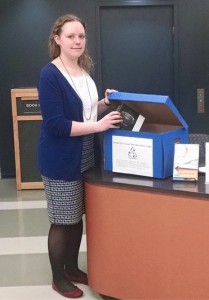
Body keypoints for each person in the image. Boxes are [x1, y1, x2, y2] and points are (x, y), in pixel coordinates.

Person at [37, 14, 122, 298]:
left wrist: (104, 103)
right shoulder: (50, 74)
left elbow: (85, 114)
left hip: (85, 154)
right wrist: (99, 125)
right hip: (60, 157)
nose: (77, 41)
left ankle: (72, 268)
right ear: (57, 39)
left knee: (77, 217)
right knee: (63, 219)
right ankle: (58, 277)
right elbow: (56, 124)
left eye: (81, 37)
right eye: (71, 36)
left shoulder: (83, 72)